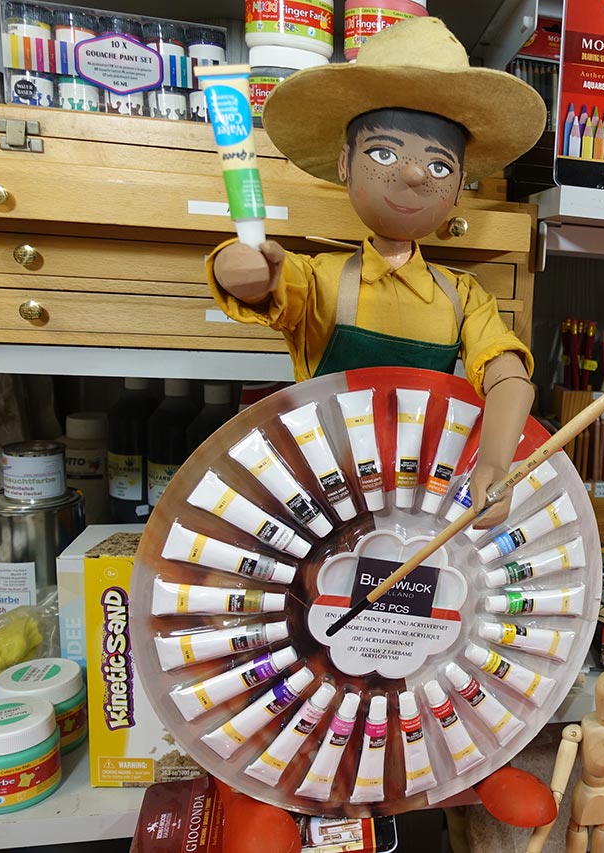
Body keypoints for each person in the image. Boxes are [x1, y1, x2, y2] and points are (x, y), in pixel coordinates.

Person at [206, 18, 545, 527]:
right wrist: (241, 268)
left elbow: (507, 374)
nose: (413, 173)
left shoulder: (461, 296)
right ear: (345, 164)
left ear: (459, 188)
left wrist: (495, 462)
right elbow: (266, 285)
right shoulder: (318, 281)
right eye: (383, 153)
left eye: (439, 166)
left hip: (421, 499)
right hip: (321, 499)